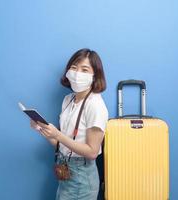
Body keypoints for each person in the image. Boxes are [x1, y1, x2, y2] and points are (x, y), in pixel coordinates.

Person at [30, 48, 108, 200]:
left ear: (94, 76)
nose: (77, 73)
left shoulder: (95, 105)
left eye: (84, 69)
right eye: (74, 67)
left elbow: (92, 152)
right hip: (65, 172)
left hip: (82, 178)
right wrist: (42, 129)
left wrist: (58, 134)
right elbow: (62, 145)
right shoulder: (68, 100)